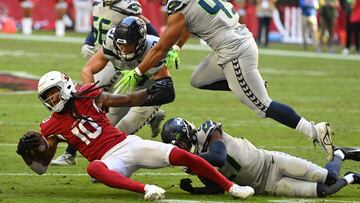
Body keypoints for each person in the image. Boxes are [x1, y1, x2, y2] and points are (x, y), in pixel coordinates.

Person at [113, 0, 335, 161]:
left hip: (234, 52)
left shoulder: (178, 8)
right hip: (230, 45)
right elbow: (187, 26)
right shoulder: (186, 5)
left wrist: (139, 72)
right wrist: (178, 47)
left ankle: (314, 131)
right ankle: (247, 85)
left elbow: (161, 47)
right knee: (198, 79)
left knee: (262, 106)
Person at [16, 71, 254, 201]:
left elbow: (127, 100)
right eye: (46, 97)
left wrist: (150, 92)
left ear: (65, 87)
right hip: (110, 161)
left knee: (180, 155)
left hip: (127, 144)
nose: (51, 100)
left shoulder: (87, 95)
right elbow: (41, 167)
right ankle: (147, 189)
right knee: (94, 170)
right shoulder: (50, 125)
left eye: (53, 94)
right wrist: (28, 153)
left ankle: (231, 187)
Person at [51, 0, 165, 165]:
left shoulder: (128, 6)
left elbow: (144, 26)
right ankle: (151, 117)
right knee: (89, 102)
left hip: (121, 58)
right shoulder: (98, 3)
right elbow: (96, 26)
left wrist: (161, 47)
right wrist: (88, 42)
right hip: (105, 54)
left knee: (92, 105)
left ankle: (71, 153)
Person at [161, 117, 360, 197]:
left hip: (272, 162)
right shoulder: (195, 161)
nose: (182, 149)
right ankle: (352, 177)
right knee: (324, 192)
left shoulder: (208, 131)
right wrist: (194, 190)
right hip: (267, 186)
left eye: (181, 144)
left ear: (186, 134)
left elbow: (219, 157)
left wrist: (192, 162)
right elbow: (216, 187)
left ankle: (340, 154)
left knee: (329, 177)